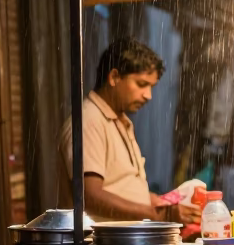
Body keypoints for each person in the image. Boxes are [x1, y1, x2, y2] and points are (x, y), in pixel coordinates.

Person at [58, 38, 200, 225]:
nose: (148, 95)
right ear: (114, 77)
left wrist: (158, 202)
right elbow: (89, 197)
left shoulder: (119, 121)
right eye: (141, 84)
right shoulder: (89, 121)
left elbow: (120, 187)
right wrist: (158, 214)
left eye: (151, 87)